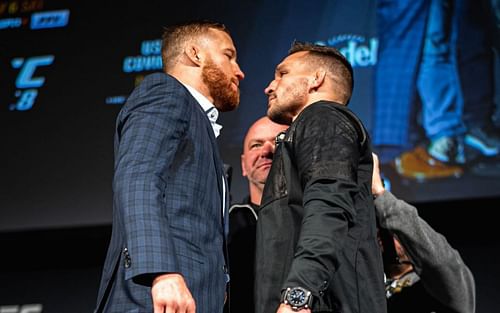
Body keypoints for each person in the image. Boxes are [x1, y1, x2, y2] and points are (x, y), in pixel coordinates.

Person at [94, 21, 245, 313]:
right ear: (195, 54)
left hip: (188, 297)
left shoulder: (200, 125)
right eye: (229, 55)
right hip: (156, 295)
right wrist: (160, 272)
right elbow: (138, 178)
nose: (239, 71)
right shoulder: (166, 92)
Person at [254, 42, 387, 313]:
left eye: (283, 74)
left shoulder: (323, 117)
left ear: (317, 79)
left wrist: (298, 294)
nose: (270, 86)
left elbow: (329, 206)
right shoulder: (310, 126)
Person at [371, 153, 476, 313]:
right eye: (380, 231)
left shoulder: (443, 288)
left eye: (395, 231)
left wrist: (380, 194)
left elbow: (440, 261)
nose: (386, 235)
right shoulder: (368, 289)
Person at [225, 116, 288, 313]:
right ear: (244, 165)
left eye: (279, 141)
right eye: (256, 145)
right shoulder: (226, 223)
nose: (266, 151)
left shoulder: (316, 221)